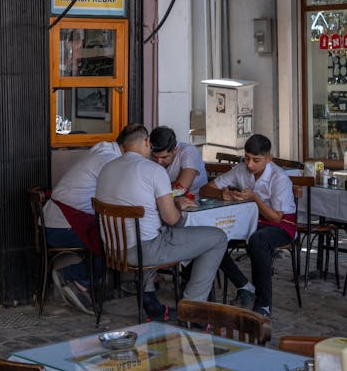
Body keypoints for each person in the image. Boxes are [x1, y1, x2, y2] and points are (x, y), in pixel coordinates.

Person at [96, 124, 227, 320]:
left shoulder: (107, 168)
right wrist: (176, 205)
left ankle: (151, 302)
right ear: (147, 142)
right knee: (218, 237)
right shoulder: (153, 170)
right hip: (143, 252)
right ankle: (193, 308)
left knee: (150, 230)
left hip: (113, 250)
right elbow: (172, 219)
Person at [199, 134, 295, 318]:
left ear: (269, 158)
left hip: (281, 225)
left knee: (258, 241)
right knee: (213, 238)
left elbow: (276, 218)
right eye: (247, 158)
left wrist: (255, 198)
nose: (250, 165)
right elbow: (205, 189)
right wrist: (221, 195)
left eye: (256, 160)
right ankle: (244, 285)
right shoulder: (241, 169)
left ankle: (263, 304)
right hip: (249, 220)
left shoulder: (279, 177)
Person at [42, 135, 122, 313]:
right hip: (61, 228)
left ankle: (81, 281)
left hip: (53, 223)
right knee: (113, 242)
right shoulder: (109, 160)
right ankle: (74, 277)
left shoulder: (101, 150)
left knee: (111, 236)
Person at [149, 126, 208, 198]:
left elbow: (181, 190)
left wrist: (155, 195)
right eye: (154, 157)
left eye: (164, 157)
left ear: (175, 150)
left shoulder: (189, 151)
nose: (159, 162)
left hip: (195, 202)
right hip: (165, 200)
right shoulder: (147, 152)